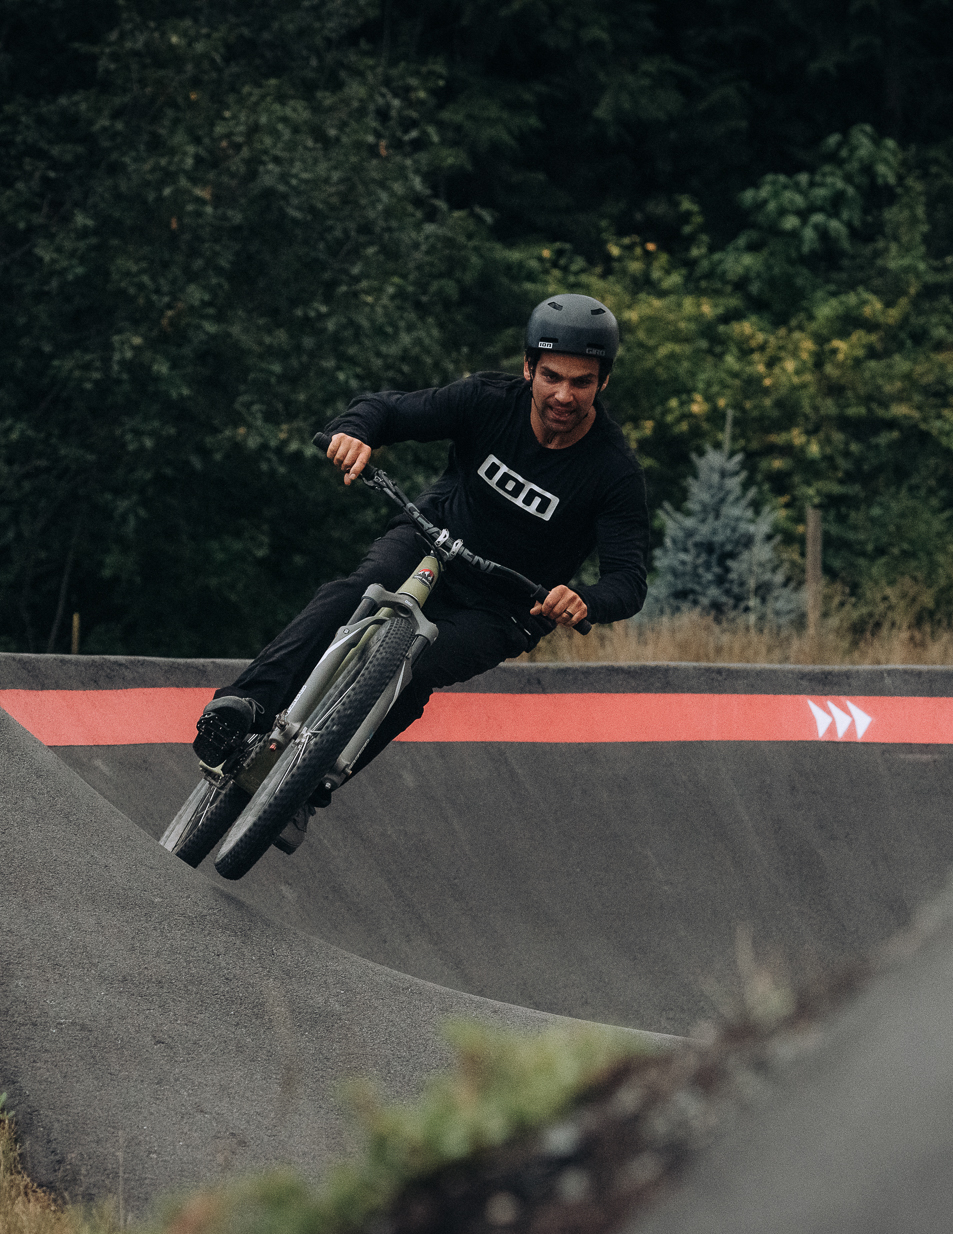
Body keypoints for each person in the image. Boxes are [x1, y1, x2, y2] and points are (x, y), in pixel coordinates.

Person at [191, 293, 648, 849]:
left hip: (504, 607)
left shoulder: (613, 472)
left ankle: (307, 791)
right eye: (551, 376)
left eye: (581, 382)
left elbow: (628, 581)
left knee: (413, 674)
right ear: (529, 367)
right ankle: (244, 705)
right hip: (432, 541)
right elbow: (386, 409)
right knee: (356, 594)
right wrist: (355, 432)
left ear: (603, 382)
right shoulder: (486, 400)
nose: (563, 395)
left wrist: (584, 599)